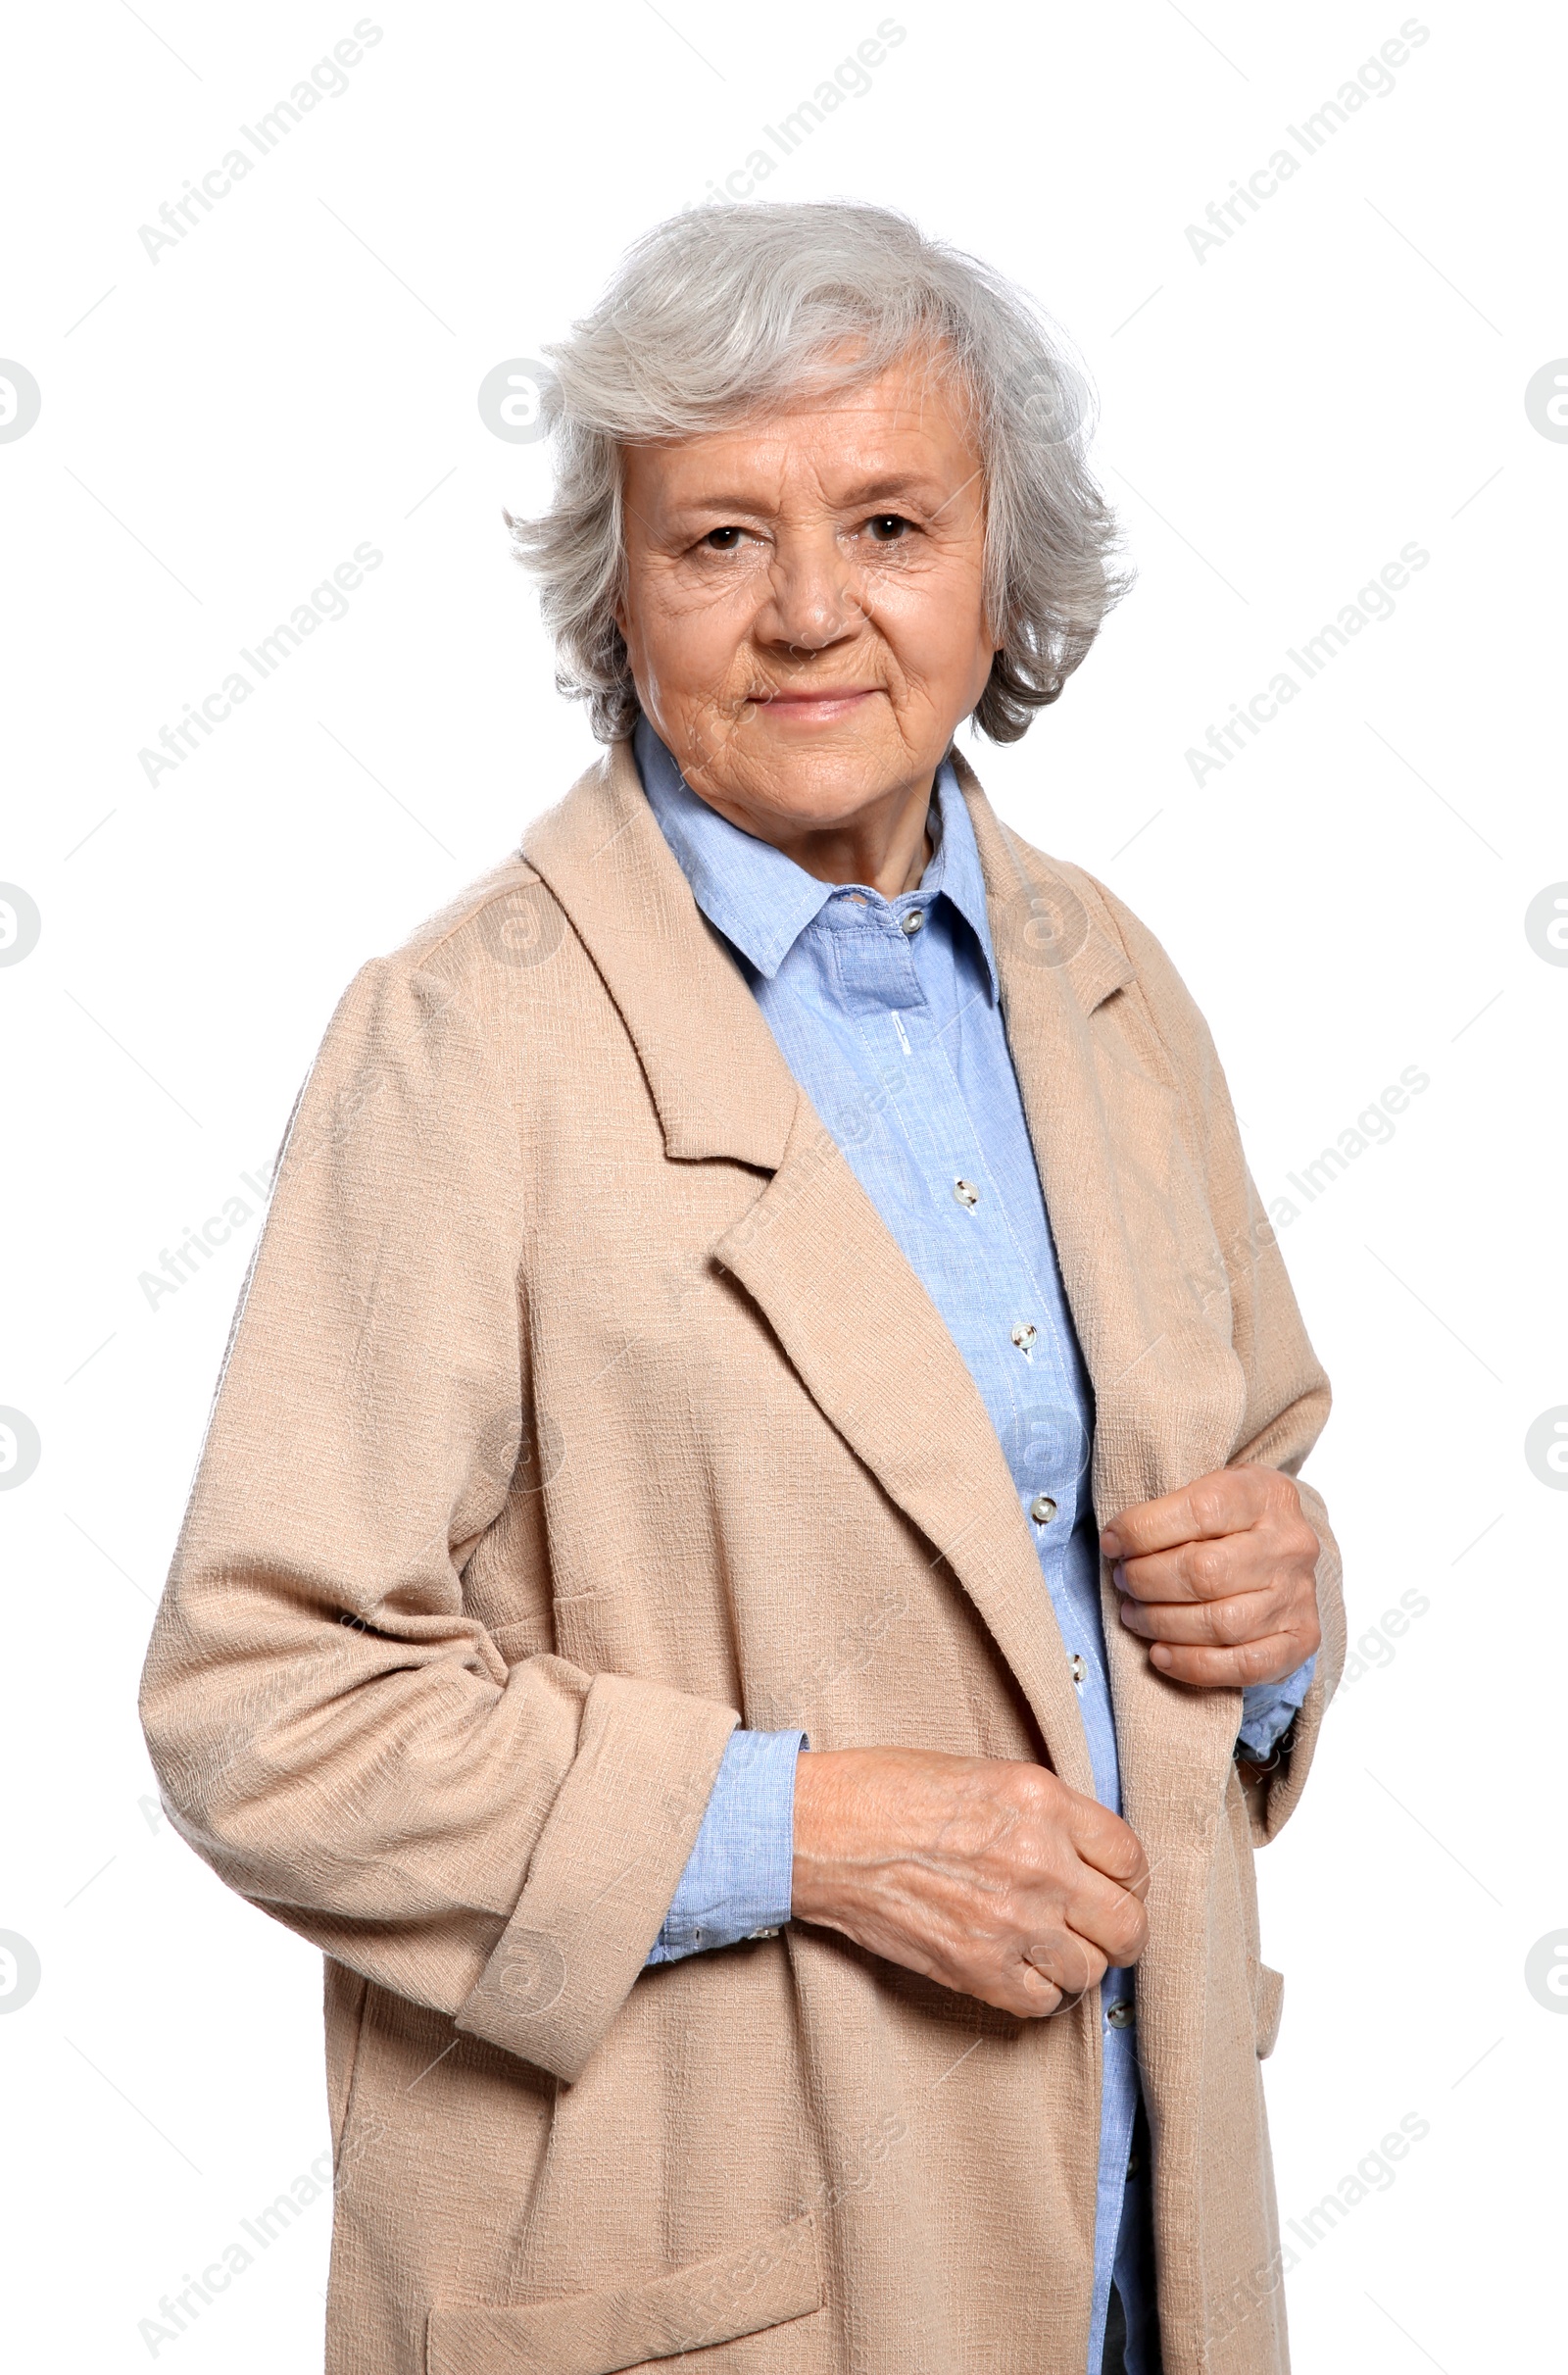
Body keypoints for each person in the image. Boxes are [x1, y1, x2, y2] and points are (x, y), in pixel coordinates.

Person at [140, 200, 1343, 2375]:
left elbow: (1215, 1503)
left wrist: (1278, 1622)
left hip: (1127, 2256)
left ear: (1000, 568)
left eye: (887, 521)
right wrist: (804, 1830)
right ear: (620, 590)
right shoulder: (461, 1035)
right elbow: (264, 1708)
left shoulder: (1104, 979)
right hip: (711, 2280)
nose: (808, 611)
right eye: (714, 540)